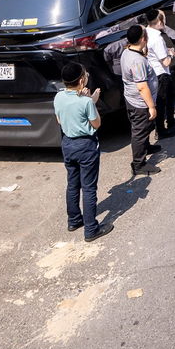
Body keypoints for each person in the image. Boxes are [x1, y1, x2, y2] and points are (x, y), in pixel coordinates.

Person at [53, 61, 111, 240]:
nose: (87, 77)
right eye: (85, 75)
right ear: (80, 81)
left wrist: (87, 101)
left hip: (68, 144)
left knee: (72, 183)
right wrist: (91, 102)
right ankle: (91, 229)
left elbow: (60, 120)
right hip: (86, 145)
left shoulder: (58, 97)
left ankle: (74, 220)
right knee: (88, 188)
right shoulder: (85, 102)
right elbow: (96, 123)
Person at [119, 25, 161, 178]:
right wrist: (151, 106)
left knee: (144, 127)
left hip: (131, 99)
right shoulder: (137, 61)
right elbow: (142, 86)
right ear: (143, 39)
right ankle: (139, 164)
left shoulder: (128, 51)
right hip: (140, 103)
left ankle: (146, 147)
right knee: (140, 131)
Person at [143, 9, 175, 138]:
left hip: (152, 73)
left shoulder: (145, 33)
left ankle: (162, 127)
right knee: (164, 101)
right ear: (159, 22)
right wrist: (170, 53)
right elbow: (166, 62)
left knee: (160, 102)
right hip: (161, 74)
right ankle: (162, 130)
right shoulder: (157, 38)